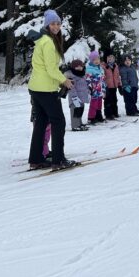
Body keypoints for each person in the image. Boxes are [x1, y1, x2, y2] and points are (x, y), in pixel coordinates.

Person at [28, 9, 76, 171]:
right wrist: (65, 81)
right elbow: (51, 69)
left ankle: (36, 159)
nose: (56, 26)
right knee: (58, 121)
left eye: (58, 23)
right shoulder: (48, 42)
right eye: (53, 24)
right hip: (45, 89)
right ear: (47, 25)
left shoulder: (42, 40)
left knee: (41, 122)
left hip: (36, 87)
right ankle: (58, 159)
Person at [65, 59, 90, 131]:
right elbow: (71, 88)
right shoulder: (72, 76)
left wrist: (88, 92)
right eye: (77, 66)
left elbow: (85, 85)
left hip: (82, 97)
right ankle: (75, 126)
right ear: (73, 67)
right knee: (75, 112)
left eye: (80, 66)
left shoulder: (82, 74)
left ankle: (79, 123)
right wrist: (74, 97)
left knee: (80, 111)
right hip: (74, 98)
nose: (79, 68)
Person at [86, 51, 106, 124]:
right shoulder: (89, 69)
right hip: (94, 90)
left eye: (98, 59)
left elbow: (103, 80)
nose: (97, 61)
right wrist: (90, 89)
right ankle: (91, 117)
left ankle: (98, 115)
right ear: (91, 61)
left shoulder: (100, 69)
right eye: (94, 60)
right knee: (94, 104)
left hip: (100, 90)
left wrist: (103, 89)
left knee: (99, 103)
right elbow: (88, 80)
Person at [102, 53, 121, 120]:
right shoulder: (104, 66)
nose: (110, 59)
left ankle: (115, 112)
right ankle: (108, 114)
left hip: (114, 86)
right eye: (109, 57)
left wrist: (119, 85)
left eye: (112, 57)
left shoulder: (115, 66)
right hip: (107, 87)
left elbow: (118, 76)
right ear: (106, 58)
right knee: (108, 101)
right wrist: (104, 86)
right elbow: (102, 77)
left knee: (114, 100)